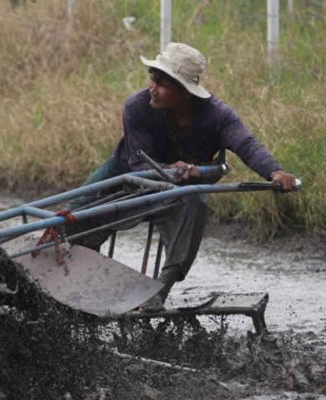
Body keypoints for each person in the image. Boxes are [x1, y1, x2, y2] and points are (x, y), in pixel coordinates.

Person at [65, 42, 297, 311]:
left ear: (186, 92)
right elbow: (138, 163)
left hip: (181, 187)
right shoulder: (137, 107)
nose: (153, 87)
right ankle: (81, 287)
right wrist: (172, 169)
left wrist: (275, 171)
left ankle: (161, 288)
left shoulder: (218, 117)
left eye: (163, 83)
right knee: (71, 218)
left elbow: (246, 144)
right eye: (153, 80)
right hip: (127, 176)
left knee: (193, 204)